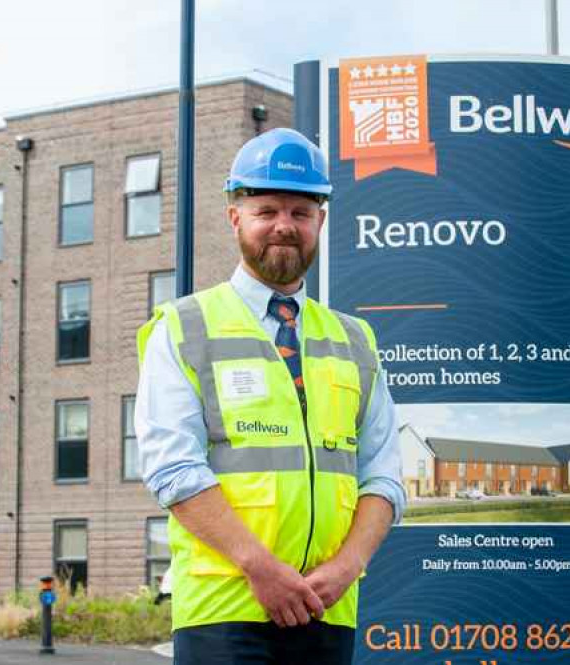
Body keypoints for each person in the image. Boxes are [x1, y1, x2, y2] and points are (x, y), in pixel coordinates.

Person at [135, 127, 405, 665]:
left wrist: (346, 569)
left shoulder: (354, 340)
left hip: (326, 608)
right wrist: (261, 568)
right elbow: (173, 469)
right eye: (266, 210)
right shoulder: (185, 326)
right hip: (225, 610)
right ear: (235, 217)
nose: (284, 226)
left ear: (320, 222)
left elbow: (383, 475)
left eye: (301, 213)